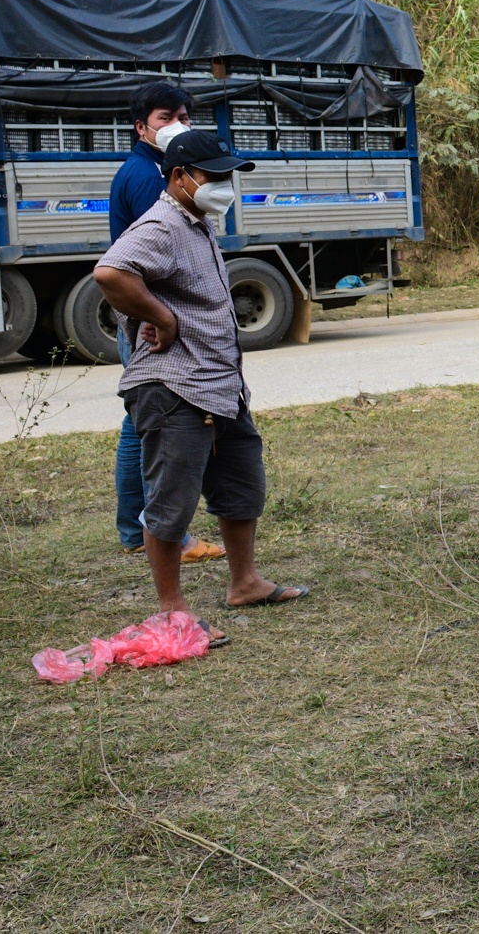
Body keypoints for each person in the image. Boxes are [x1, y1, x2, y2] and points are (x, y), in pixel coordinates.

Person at [94, 129, 308, 644]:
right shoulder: (162, 222)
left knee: (242, 486)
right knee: (171, 502)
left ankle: (245, 583)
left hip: (218, 384)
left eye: (226, 175)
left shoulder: (197, 221)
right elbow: (110, 273)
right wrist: (161, 318)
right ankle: (173, 611)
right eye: (213, 176)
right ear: (179, 178)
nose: (223, 186)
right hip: (173, 387)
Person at [108, 82, 220, 564]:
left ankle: (140, 528)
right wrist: (156, 316)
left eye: (184, 117)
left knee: (140, 423)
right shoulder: (146, 177)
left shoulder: (151, 167)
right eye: (164, 118)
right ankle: (153, 530)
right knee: (152, 425)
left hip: (153, 316)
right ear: (141, 127)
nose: (177, 126)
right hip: (154, 322)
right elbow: (131, 262)